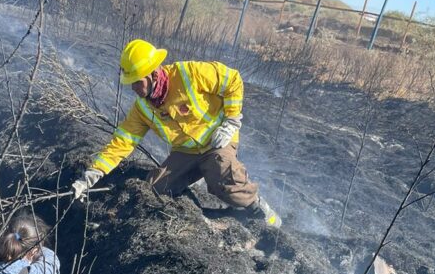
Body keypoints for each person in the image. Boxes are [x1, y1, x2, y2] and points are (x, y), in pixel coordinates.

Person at [70, 38, 282, 228]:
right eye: (131, 82)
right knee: (154, 189)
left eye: (137, 81)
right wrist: (90, 176)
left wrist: (231, 121)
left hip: (218, 140)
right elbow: (121, 143)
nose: (133, 87)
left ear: (153, 74)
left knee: (222, 176)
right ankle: (197, 211)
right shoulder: (142, 108)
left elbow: (232, 80)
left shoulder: (189, 74)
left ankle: (258, 207)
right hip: (187, 151)